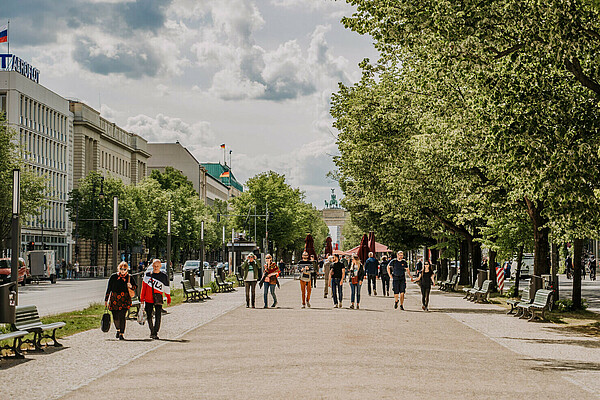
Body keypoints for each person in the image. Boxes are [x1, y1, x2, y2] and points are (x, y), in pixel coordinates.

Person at [105, 261, 137, 340]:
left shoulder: (129, 277)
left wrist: (131, 286)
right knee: (115, 316)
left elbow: (135, 286)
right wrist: (106, 299)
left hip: (125, 299)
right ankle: (118, 330)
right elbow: (109, 288)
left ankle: (122, 334)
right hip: (114, 298)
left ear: (127, 269)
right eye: (121, 269)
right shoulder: (113, 277)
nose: (122, 270)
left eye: (124, 269)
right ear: (118, 268)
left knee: (122, 316)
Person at [140, 259, 171, 339]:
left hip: (158, 298)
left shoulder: (164, 276)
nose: (156, 267)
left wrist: (168, 298)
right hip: (148, 298)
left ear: (160, 266)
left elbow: (166, 288)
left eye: (157, 266)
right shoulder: (147, 275)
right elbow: (143, 288)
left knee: (158, 315)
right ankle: (152, 330)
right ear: (152, 266)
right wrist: (142, 299)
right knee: (149, 315)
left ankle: (155, 332)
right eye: (154, 266)